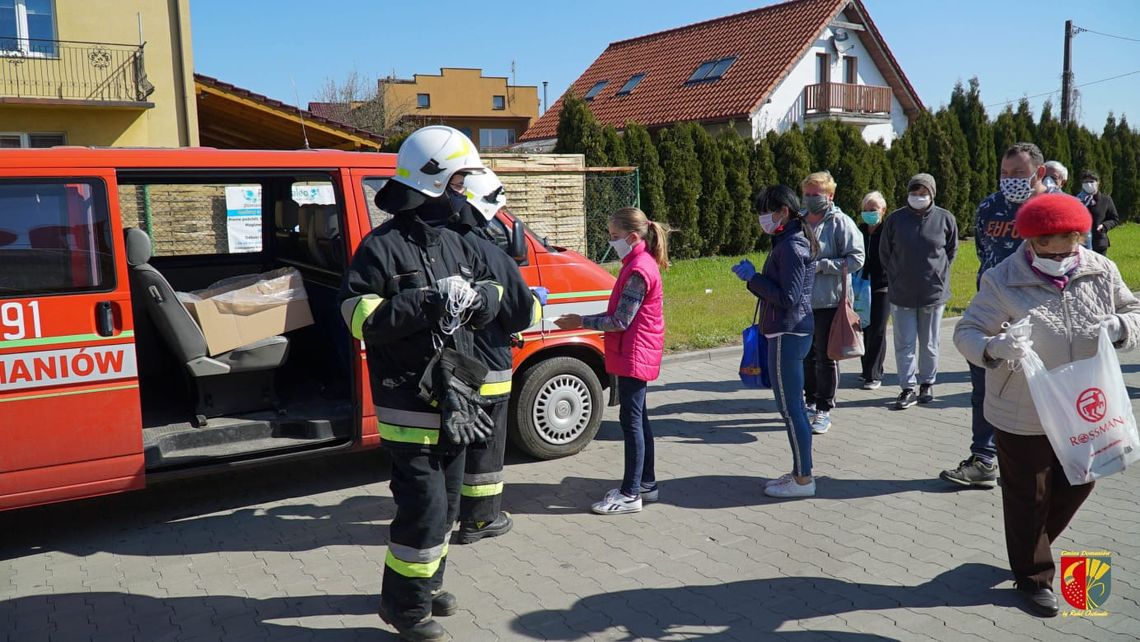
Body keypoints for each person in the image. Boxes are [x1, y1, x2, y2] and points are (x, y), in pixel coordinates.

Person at [340, 125, 504, 642]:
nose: (465, 192)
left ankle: (428, 585)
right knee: (425, 507)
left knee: (450, 503)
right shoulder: (380, 248)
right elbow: (357, 315)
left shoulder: (460, 240)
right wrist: (427, 302)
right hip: (409, 403)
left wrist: (480, 299)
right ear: (432, 182)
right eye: (460, 181)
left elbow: (496, 289)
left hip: (456, 399)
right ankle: (404, 608)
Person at [953, 193, 1140, 617]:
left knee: (1085, 478)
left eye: (1067, 247)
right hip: (1023, 409)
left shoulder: (1101, 269)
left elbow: (1136, 309)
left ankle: (1028, 544)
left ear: (1079, 238)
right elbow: (966, 332)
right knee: (1028, 495)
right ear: (1030, 241)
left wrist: (1121, 325)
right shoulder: (1002, 279)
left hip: (1086, 404)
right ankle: (1034, 576)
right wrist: (995, 346)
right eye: (1046, 248)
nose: (1058, 257)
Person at [423, 167, 542, 545]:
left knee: (454, 444)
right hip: (487, 363)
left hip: (445, 367)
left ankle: (443, 517)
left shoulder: (433, 241)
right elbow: (522, 312)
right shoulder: (488, 250)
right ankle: (480, 520)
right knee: (486, 444)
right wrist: (536, 303)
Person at [940, 142, 1059, 488]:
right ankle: (983, 459)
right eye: (1004, 174)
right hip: (991, 314)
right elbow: (983, 253)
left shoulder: (1055, 209)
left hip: (1039, 317)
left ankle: (1045, 462)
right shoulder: (990, 206)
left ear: (1039, 173)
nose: (1009, 180)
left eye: (1018, 174)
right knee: (984, 389)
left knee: (1041, 393)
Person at [554, 207, 667, 515]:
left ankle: (631, 494)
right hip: (633, 350)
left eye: (615, 236)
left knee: (631, 424)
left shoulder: (639, 270)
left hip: (634, 352)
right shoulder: (636, 262)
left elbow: (620, 320)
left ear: (632, 237)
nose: (610, 240)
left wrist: (580, 321)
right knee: (639, 420)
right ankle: (646, 484)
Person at [732, 185, 820, 498]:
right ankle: (800, 471)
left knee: (791, 408)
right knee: (790, 407)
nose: (761, 219)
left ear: (783, 210)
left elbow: (788, 297)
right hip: (787, 331)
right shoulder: (788, 239)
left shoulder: (792, 245)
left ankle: (803, 479)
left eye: (764, 212)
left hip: (788, 332)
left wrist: (752, 278)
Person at [879, 174, 958, 409]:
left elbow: (951, 251)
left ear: (932, 194)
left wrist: (938, 274)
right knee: (904, 343)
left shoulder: (945, 218)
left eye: (923, 193)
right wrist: (895, 276)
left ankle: (927, 383)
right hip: (902, 292)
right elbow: (885, 253)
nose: (918, 197)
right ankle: (907, 387)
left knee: (930, 342)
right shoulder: (895, 220)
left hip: (933, 293)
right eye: (914, 193)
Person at [799, 171, 865, 434]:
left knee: (826, 358)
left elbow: (857, 259)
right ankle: (810, 400)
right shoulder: (800, 221)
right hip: (802, 300)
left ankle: (824, 409)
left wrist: (824, 266)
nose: (811, 199)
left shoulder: (841, 222)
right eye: (807, 194)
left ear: (830, 195)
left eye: (816, 195)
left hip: (830, 301)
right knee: (805, 355)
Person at [856, 191, 890, 390]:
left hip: (882, 285)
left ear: (883, 211)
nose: (869, 213)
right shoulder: (859, 230)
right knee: (863, 328)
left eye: (873, 210)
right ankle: (866, 368)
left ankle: (874, 374)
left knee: (877, 329)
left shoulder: (888, 230)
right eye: (866, 210)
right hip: (860, 285)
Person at [1077, 170, 1120, 256]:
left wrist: (1104, 226)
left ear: (1098, 183)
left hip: (1099, 243)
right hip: (1081, 243)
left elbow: (1114, 219)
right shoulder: (1077, 200)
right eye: (1085, 182)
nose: (1088, 184)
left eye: (1091, 181)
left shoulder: (1106, 200)